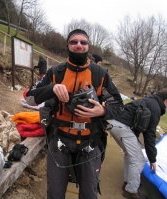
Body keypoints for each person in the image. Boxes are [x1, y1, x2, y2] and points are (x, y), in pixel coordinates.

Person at [25, 29, 123, 199]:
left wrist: (103, 110)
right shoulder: (56, 72)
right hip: (60, 139)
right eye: (74, 42)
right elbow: (30, 98)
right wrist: (52, 88)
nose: (78, 45)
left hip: (91, 141)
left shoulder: (100, 74)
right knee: (54, 193)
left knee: (89, 194)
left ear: (88, 46)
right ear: (68, 45)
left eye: (83, 42)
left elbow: (119, 106)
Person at [108, 89, 167, 199]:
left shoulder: (149, 102)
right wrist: (152, 159)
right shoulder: (155, 108)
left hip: (114, 123)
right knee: (139, 159)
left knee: (129, 154)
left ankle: (128, 182)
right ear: (166, 101)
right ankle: (131, 190)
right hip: (122, 126)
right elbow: (149, 135)